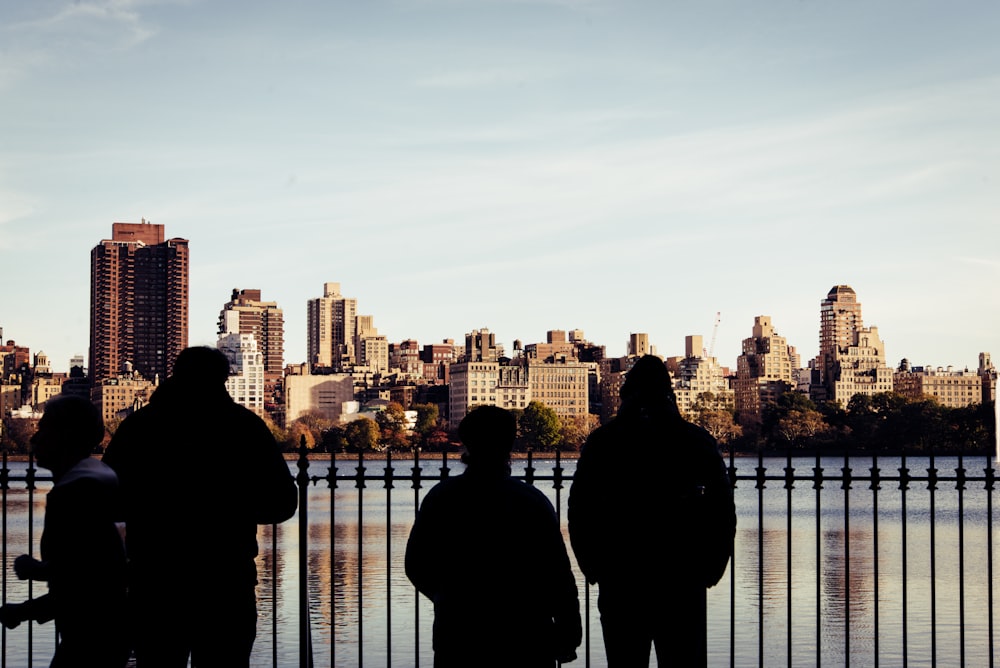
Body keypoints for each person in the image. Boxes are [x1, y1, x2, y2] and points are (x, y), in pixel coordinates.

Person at [103, 346, 298, 667]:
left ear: (176, 374)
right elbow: (282, 504)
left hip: (155, 580)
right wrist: (233, 506)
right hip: (226, 579)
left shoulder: (141, 427)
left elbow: (111, 502)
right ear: (222, 379)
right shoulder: (244, 427)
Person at [568, 355, 736, 667]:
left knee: (625, 660)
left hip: (621, 576)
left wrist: (594, 566)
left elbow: (580, 509)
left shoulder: (604, 441)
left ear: (626, 394)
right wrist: (710, 568)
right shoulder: (695, 440)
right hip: (683, 576)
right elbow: (722, 511)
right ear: (669, 393)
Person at [405, 405, 582, 668]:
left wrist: (449, 596)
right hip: (526, 632)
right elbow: (557, 573)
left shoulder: (442, 498)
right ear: (509, 443)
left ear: (467, 443)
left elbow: (416, 565)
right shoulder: (532, 501)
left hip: (459, 633)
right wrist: (569, 630)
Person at [0, 396, 130, 667]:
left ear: (65, 436)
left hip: (91, 639)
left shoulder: (75, 491)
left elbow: (90, 576)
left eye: (45, 429)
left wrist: (36, 570)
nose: (35, 438)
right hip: (104, 632)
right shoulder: (99, 476)